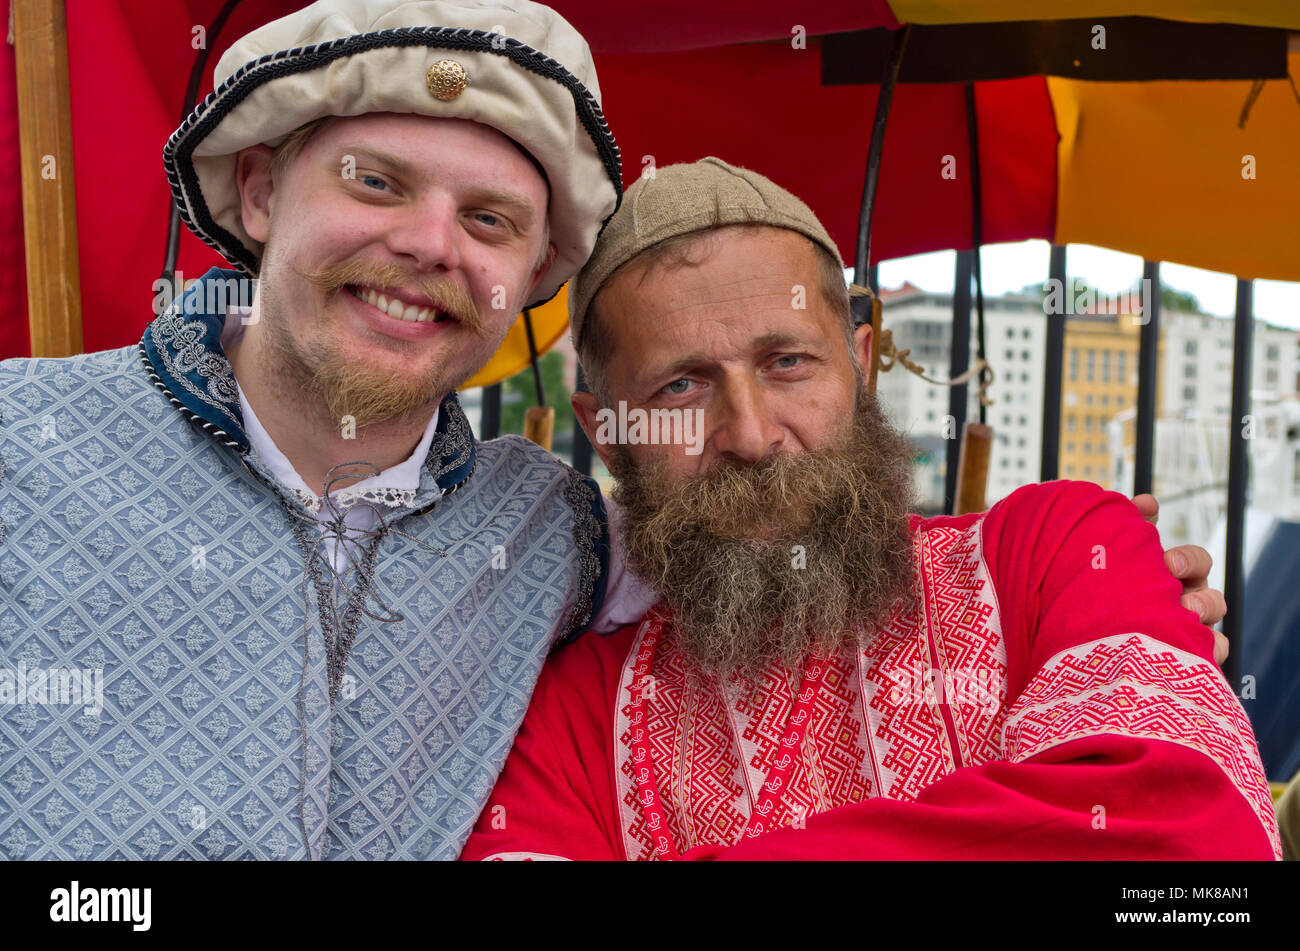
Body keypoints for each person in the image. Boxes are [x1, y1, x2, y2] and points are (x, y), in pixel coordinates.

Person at [461, 158, 1280, 861]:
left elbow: (1193, 848)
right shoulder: (566, 709)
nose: (750, 434)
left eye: (787, 362)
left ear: (859, 366)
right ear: (607, 433)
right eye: (681, 385)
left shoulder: (1056, 551)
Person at [0, 0, 639, 861]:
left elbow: (789, 546)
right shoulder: (19, 445)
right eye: (375, 181)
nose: (429, 245)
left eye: (490, 220)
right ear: (261, 194)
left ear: (531, 273)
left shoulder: (554, 530)